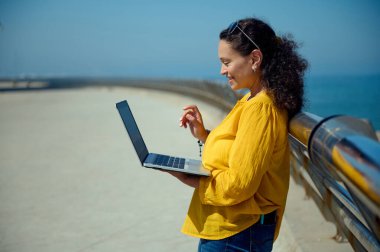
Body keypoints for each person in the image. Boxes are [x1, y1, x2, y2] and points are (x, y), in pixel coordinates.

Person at [165, 17, 308, 252]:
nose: (222, 71)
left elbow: (240, 184)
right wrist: (204, 135)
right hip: (235, 231)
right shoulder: (251, 99)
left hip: (238, 233)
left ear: (254, 59)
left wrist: (192, 180)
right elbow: (243, 151)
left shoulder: (261, 107)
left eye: (227, 62)